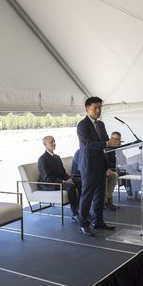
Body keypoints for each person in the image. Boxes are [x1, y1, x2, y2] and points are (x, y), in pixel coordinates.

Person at [76, 96, 121, 236]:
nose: (98, 110)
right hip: (89, 166)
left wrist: (114, 142)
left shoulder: (100, 125)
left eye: (100, 107)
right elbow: (87, 144)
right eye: (95, 107)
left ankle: (98, 221)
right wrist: (108, 144)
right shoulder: (82, 125)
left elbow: (105, 142)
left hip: (101, 165)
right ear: (87, 108)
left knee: (100, 196)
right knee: (87, 196)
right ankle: (83, 223)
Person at [37, 136, 80, 221]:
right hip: (49, 184)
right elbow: (47, 177)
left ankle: (82, 210)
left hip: (58, 181)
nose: (53, 143)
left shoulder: (57, 157)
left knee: (80, 182)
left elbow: (63, 173)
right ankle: (75, 213)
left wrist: (69, 178)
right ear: (45, 145)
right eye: (51, 142)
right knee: (70, 187)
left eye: (54, 141)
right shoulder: (42, 159)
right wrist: (64, 181)